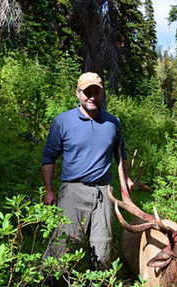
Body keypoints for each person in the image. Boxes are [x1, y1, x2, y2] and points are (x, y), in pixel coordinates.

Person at [42, 72, 133, 273]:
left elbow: (121, 154)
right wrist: (48, 190)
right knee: (64, 243)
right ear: (78, 93)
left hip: (104, 192)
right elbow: (49, 157)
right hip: (73, 191)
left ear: (102, 95)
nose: (91, 97)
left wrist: (126, 179)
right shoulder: (62, 121)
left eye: (96, 92)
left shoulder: (112, 122)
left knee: (102, 245)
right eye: (87, 92)